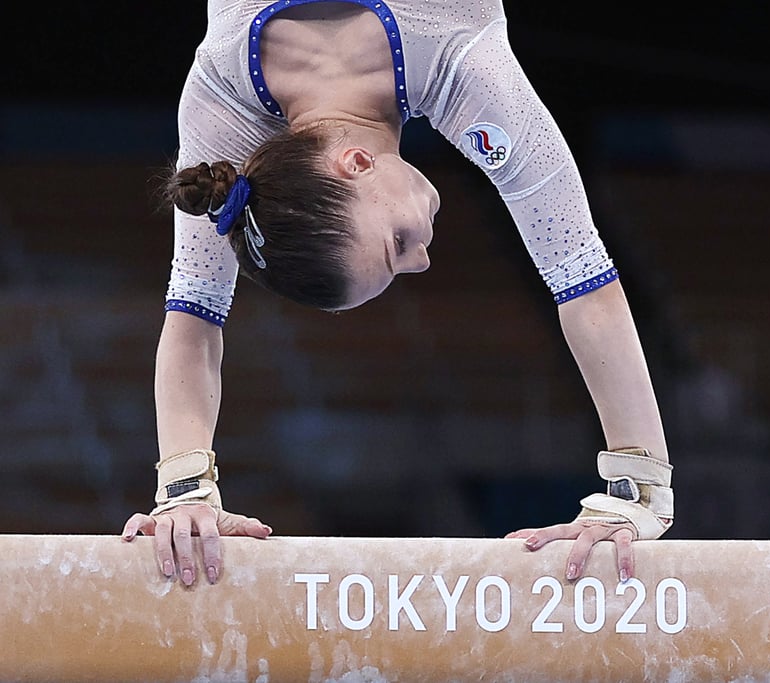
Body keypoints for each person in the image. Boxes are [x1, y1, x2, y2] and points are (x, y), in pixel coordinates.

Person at [121, 0, 674, 587]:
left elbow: (586, 283)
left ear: (356, 162)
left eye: (398, 243)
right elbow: (194, 313)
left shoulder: (461, 62)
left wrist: (638, 494)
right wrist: (183, 493)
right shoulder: (224, 90)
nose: (425, 257)